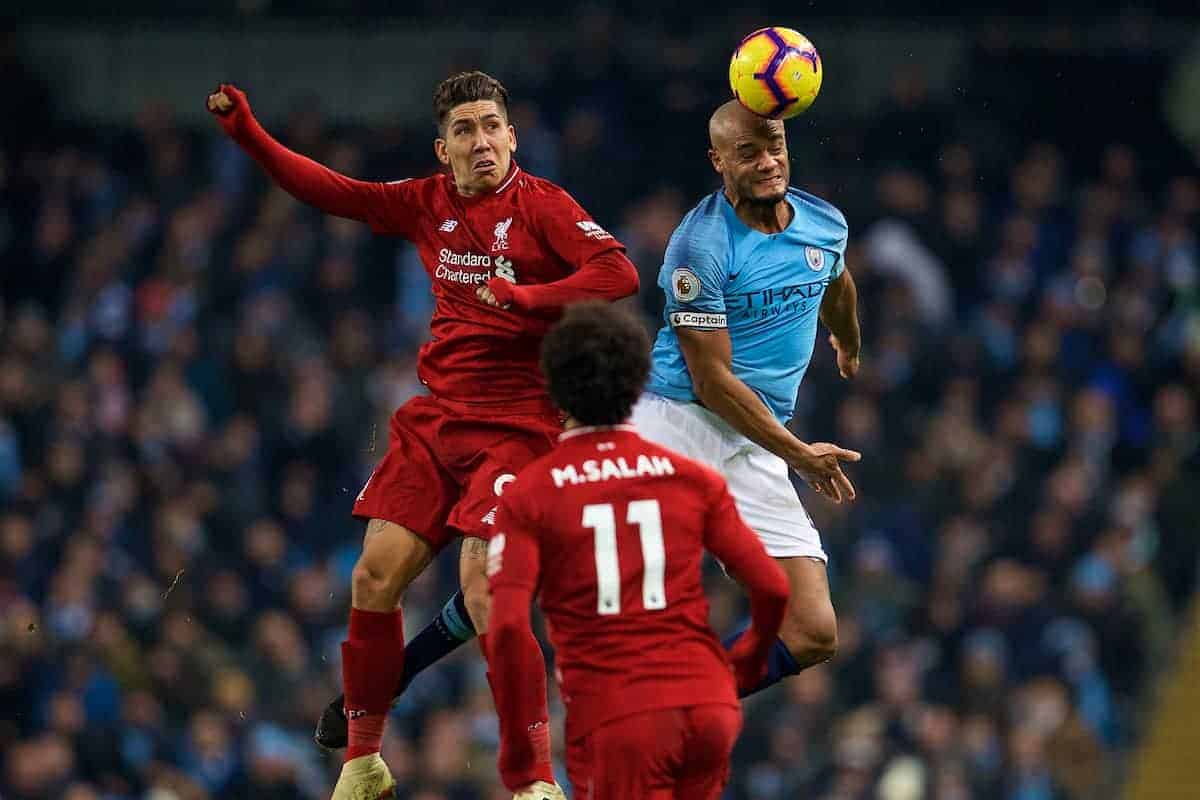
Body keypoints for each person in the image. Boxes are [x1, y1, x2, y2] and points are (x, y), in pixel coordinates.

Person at [207, 71, 638, 800]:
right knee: (373, 577)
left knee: (487, 591)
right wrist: (249, 133)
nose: (481, 142)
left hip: (521, 427)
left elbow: (618, 271)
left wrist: (531, 296)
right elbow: (330, 190)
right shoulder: (423, 202)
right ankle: (364, 764)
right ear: (444, 149)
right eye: (464, 131)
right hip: (438, 421)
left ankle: (535, 781)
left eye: (491, 127)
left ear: (512, 136)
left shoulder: (544, 207)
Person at [487, 301, 790, 799]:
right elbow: (773, 589)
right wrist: (743, 667)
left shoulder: (531, 494)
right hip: (708, 706)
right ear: (637, 383)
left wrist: (522, 762)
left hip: (619, 716)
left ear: (556, 392)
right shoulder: (691, 479)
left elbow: (505, 628)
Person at [632, 99, 863, 696]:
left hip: (753, 438)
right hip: (674, 426)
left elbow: (835, 280)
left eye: (776, 147)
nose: (768, 163)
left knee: (813, 631)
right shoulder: (699, 246)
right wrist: (798, 454)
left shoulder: (823, 222)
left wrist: (846, 339)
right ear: (718, 162)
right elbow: (712, 382)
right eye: (748, 153)